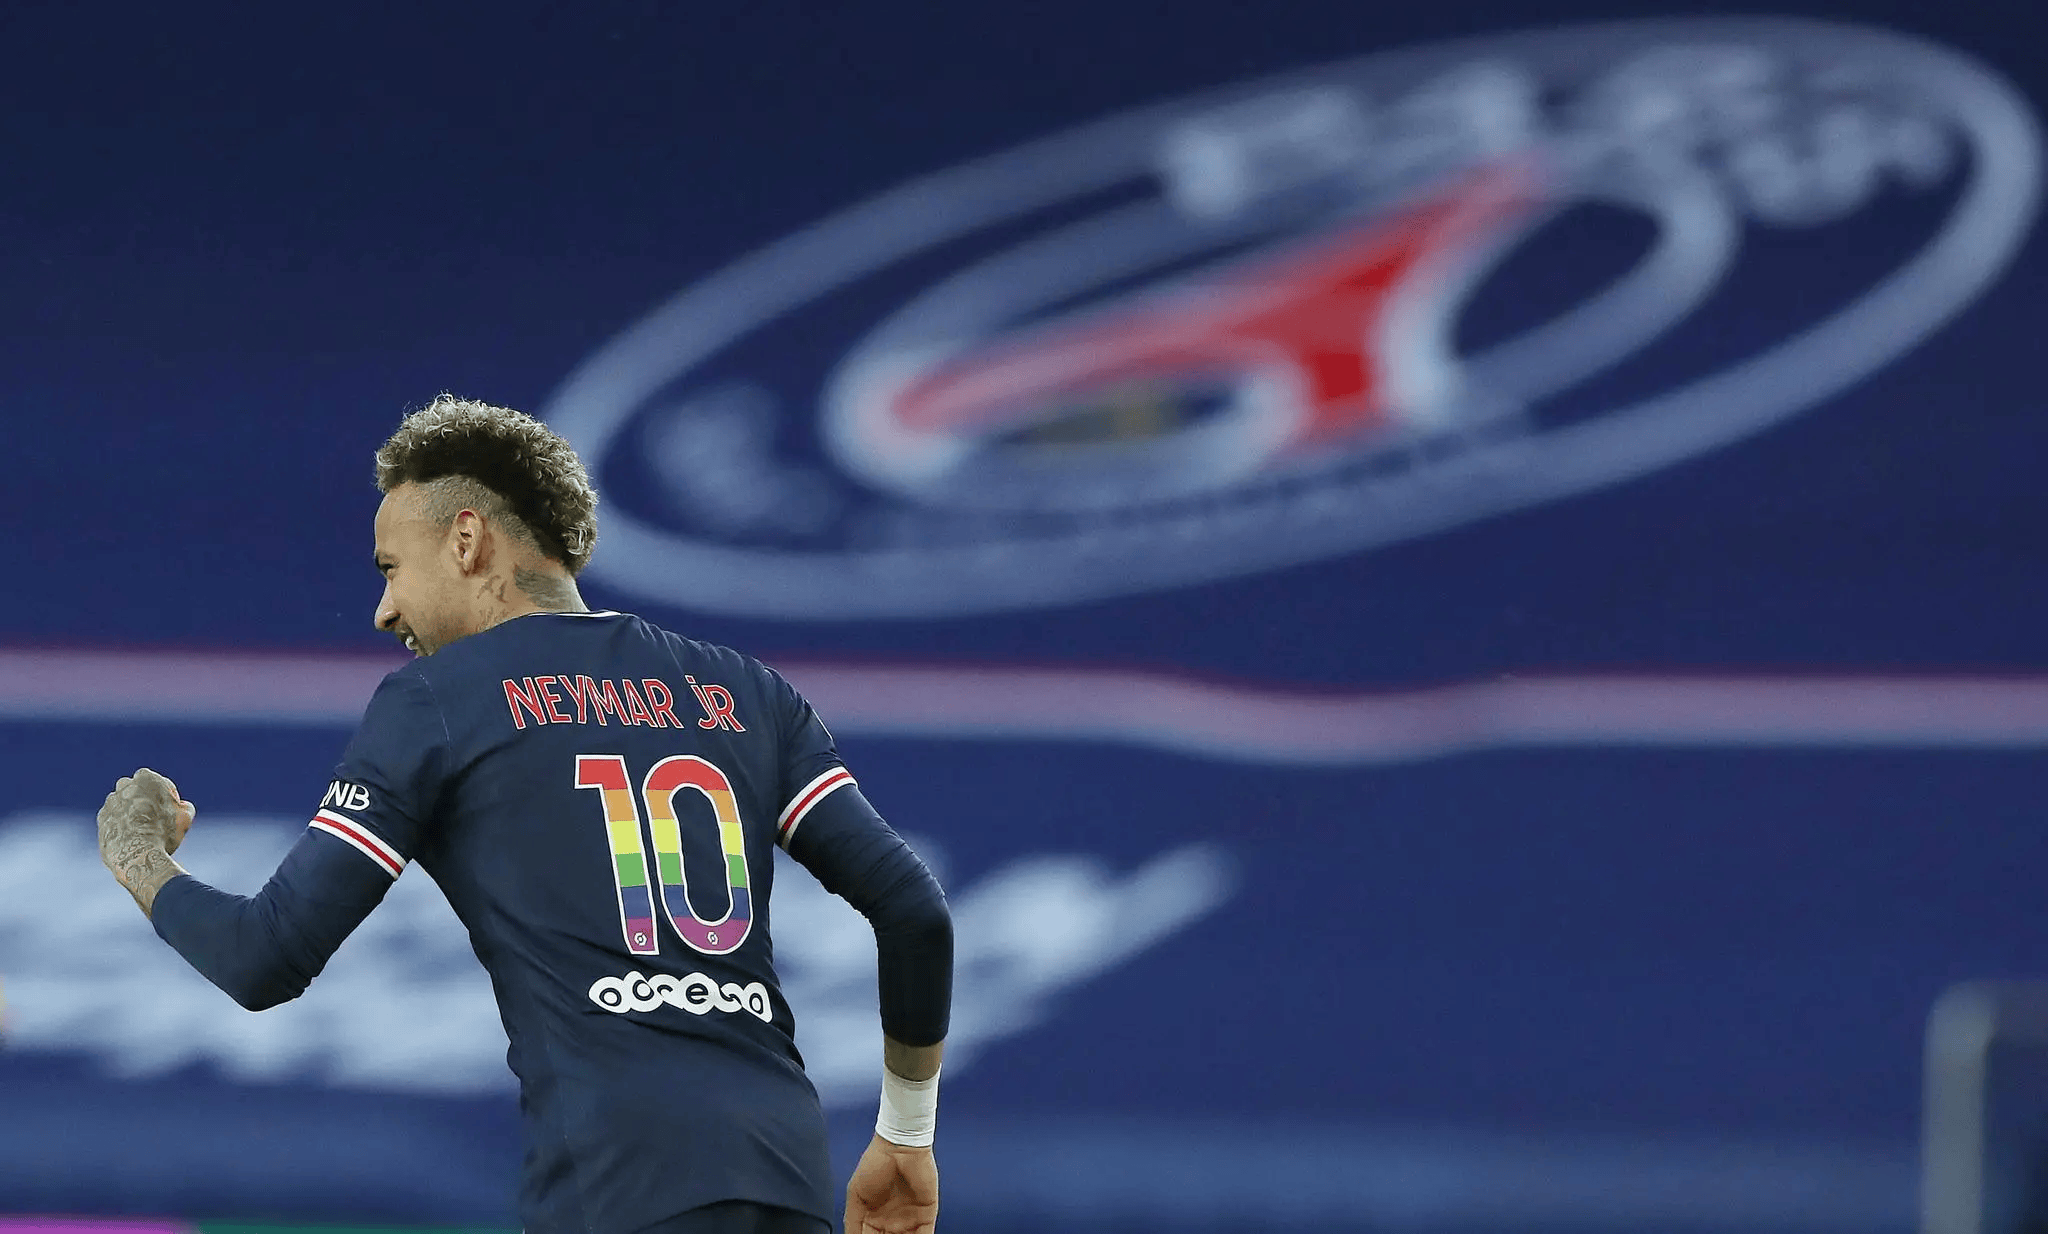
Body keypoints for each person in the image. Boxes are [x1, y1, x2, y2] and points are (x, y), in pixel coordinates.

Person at [94, 395, 953, 1234]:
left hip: (616, 1175)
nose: (384, 610)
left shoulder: (436, 700)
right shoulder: (748, 692)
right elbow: (914, 911)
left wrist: (139, 856)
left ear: (466, 539)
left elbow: (264, 957)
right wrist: (906, 1137)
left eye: (391, 568)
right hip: (785, 1169)